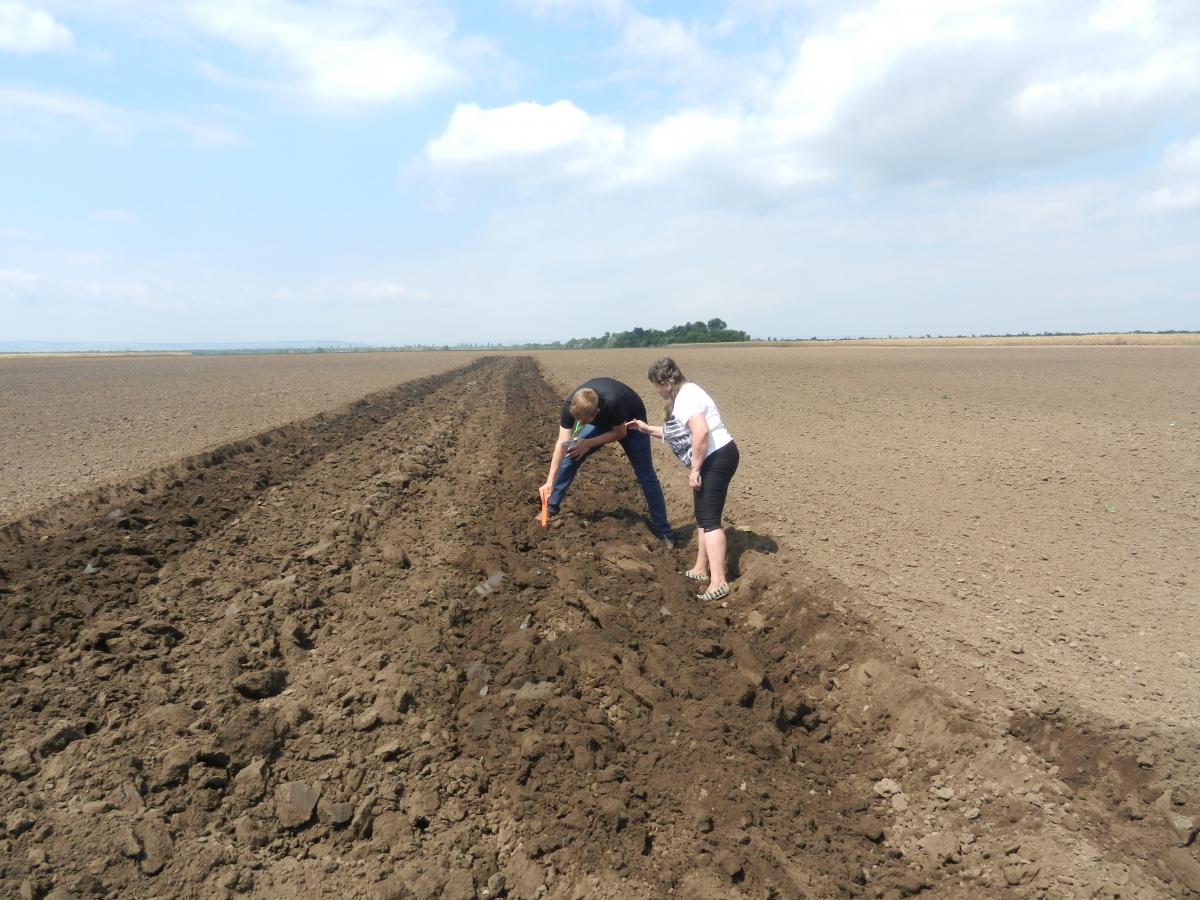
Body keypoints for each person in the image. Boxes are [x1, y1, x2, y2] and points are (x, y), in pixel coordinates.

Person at [626, 358, 739, 601]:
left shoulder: (685, 398)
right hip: (717, 455)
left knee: (710, 521)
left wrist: (695, 469)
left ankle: (719, 582)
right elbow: (677, 433)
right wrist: (645, 429)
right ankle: (700, 569)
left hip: (716, 457)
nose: (656, 391)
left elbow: (701, 432)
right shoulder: (688, 392)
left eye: (657, 386)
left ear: (667, 382)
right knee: (702, 517)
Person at [541, 377, 674, 547]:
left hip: (630, 424)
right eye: (578, 421)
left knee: (646, 475)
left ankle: (663, 531)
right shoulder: (571, 404)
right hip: (603, 421)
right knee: (570, 456)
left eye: (584, 422)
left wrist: (587, 443)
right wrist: (549, 481)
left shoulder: (613, 403)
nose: (580, 425)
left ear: (595, 413)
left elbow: (620, 433)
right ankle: (551, 508)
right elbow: (562, 443)